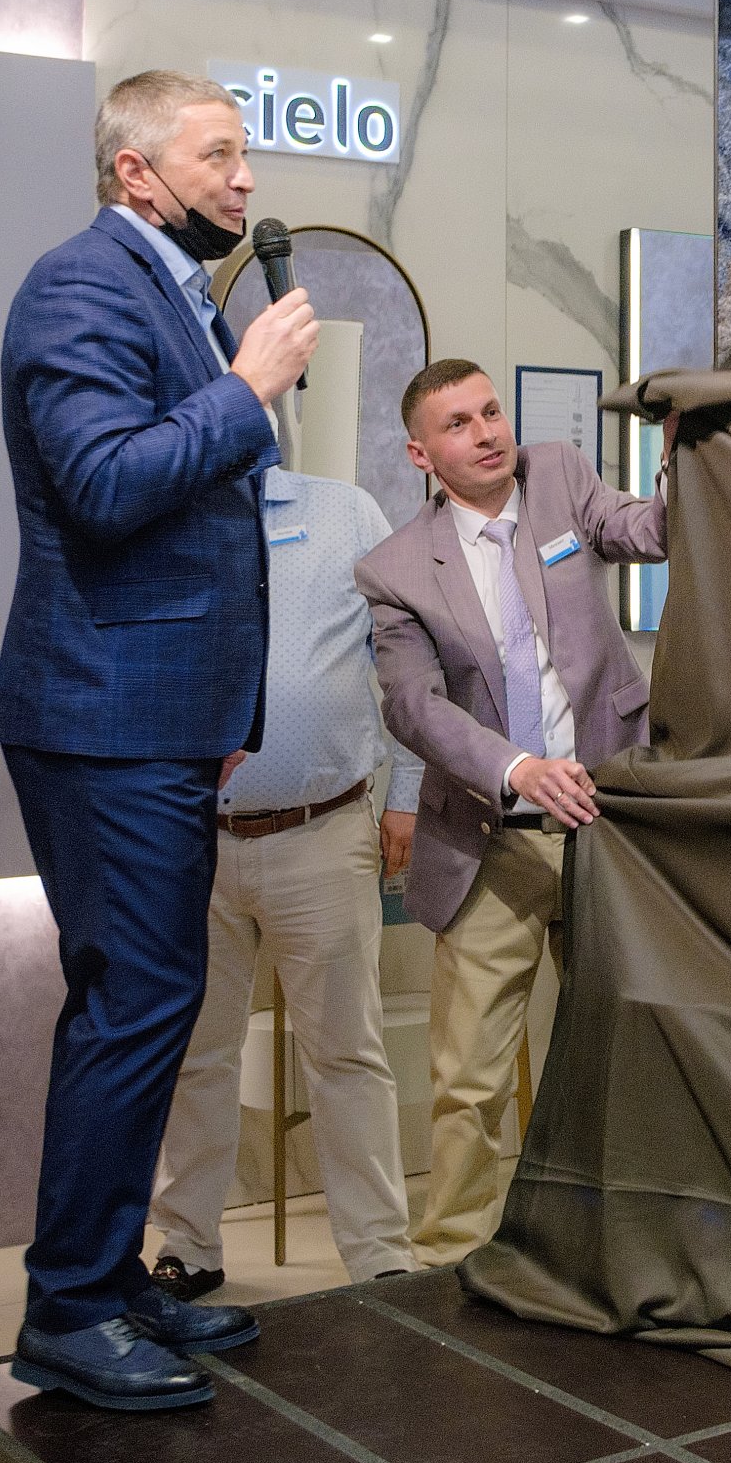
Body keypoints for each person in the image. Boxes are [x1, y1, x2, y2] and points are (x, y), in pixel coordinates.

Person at [0, 69, 318, 1412]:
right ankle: (68, 1308)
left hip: (160, 718)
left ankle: (111, 1278)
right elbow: (107, 484)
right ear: (137, 172)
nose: (245, 179)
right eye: (218, 154)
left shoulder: (172, 292)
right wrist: (246, 389)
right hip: (104, 713)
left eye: (245, 155)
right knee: (135, 1003)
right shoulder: (81, 287)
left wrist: (220, 716)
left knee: (152, 1002)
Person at [357, 359, 667, 1266]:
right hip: (491, 841)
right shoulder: (395, 569)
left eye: (491, 411)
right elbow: (414, 708)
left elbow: (651, 531)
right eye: (458, 423)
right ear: (421, 454)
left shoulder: (560, 475)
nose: (488, 432)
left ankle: (623, 1246)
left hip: (610, 828)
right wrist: (516, 769)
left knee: (629, 1055)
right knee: (469, 1079)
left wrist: (684, 457)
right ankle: (450, 1259)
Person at [148, 464, 423, 1298]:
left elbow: (403, 659)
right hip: (192, 842)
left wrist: (407, 793)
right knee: (196, 1054)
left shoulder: (346, 511)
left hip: (322, 830)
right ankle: (189, 1246)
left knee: (347, 1054)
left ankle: (378, 1255)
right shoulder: (160, 515)